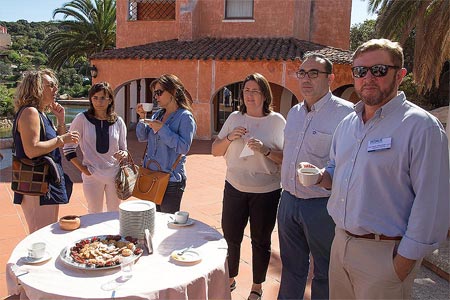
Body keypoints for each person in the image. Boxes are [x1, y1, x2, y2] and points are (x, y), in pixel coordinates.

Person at [311, 39, 449, 299]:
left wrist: (401, 263)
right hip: (340, 244)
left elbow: (432, 204)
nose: (368, 78)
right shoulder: (348, 124)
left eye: (379, 70)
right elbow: (335, 167)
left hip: (385, 255)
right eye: (360, 71)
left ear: (400, 75)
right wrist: (321, 176)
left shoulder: (422, 127)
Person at [277, 53, 353, 300]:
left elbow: (350, 162)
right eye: (302, 73)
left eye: (314, 73)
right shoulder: (295, 112)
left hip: (322, 206)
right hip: (288, 201)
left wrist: (323, 174)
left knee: (325, 271)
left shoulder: (346, 115)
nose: (306, 79)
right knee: (291, 267)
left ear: (330, 78)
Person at [212, 73, 286, 300]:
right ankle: (231, 277)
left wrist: (265, 150)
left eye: (255, 91)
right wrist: (229, 138)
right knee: (231, 236)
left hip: (266, 191)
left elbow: (286, 158)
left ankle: (257, 285)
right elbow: (215, 150)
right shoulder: (234, 118)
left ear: (264, 94)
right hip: (234, 186)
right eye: (246, 91)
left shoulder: (277, 122)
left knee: (261, 241)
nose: (250, 95)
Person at [12, 69, 79, 233]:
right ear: (36, 88)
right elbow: (32, 150)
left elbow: (56, 144)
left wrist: (61, 120)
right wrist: (62, 139)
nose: (55, 89)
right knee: (39, 234)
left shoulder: (40, 113)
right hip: (37, 184)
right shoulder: (30, 112)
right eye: (51, 85)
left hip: (45, 182)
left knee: (47, 230)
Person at [63, 82, 128, 213]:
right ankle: (95, 235)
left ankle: (112, 234)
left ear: (110, 100)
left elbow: (124, 148)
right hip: (92, 175)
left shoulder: (118, 122)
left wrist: (123, 154)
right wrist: (83, 169)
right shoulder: (82, 119)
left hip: (114, 174)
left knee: (114, 213)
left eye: (103, 98)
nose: (99, 102)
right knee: (94, 212)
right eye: (95, 97)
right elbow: (68, 148)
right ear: (91, 99)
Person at [135, 74, 196, 213]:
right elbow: (141, 137)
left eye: (159, 92)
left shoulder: (185, 117)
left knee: (167, 223)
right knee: (150, 220)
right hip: (150, 175)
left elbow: (183, 147)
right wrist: (142, 117)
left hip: (170, 181)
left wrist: (162, 129)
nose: (156, 97)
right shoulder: (158, 115)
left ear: (173, 92)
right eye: (155, 93)